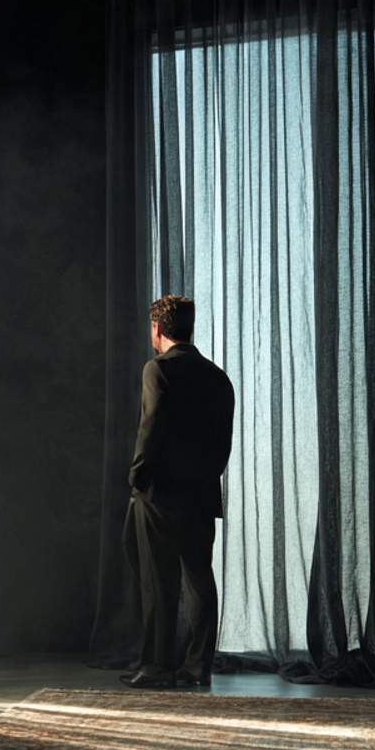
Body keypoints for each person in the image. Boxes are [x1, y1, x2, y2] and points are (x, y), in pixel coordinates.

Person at [119, 295, 235, 689]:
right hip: (201, 493)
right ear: (189, 327)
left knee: (157, 582)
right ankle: (196, 668)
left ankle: (156, 668)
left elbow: (149, 429)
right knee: (199, 581)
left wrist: (138, 478)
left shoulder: (158, 369)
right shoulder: (218, 377)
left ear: (157, 328)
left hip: (160, 493)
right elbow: (223, 443)